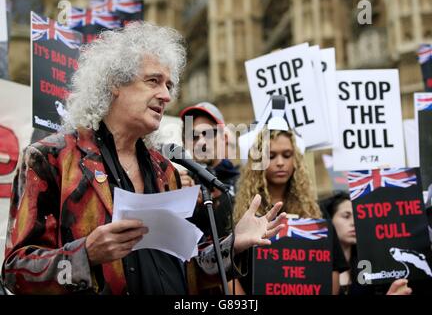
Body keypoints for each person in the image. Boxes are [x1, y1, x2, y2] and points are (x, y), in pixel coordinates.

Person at [1, 22, 286, 295]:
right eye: (153, 81)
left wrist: (233, 244)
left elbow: (183, 267)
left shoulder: (165, 169)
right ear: (115, 83)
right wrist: (86, 254)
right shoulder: (52, 158)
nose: (165, 95)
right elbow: (16, 273)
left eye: (169, 86)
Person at [231, 128, 349, 295]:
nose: (280, 162)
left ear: (296, 160)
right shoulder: (240, 212)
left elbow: (332, 268)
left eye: (287, 155)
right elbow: (227, 272)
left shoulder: (315, 211)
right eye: (271, 156)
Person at [324, 192, 412, 295]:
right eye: (346, 216)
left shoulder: (372, 267)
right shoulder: (319, 268)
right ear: (329, 220)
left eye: (358, 217)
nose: (354, 222)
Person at [179, 102, 239, 238]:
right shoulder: (179, 185)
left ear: (224, 137)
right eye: (194, 136)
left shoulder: (244, 183)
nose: (201, 142)